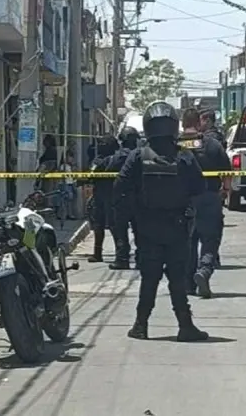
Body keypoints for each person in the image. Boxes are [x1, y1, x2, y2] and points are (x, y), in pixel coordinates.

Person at [115, 101, 209, 342]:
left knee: (149, 279)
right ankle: (185, 326)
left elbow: (120, 188)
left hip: (147, 228)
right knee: (177, 279)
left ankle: (141, 325)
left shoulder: (138, 156)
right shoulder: (184, 156)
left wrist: (134, 214)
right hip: (177, 228)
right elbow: (200, 188)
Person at [179, 108, 231, 298]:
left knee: (188, 242)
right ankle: (204, 270)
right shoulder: (212, 144)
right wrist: (225, 191)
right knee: (210, 239)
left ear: (182, 123)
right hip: (209, 197)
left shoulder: (175, 145)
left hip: (183, 201)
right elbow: (227, 172)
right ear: (198, 123)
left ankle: (188, 284)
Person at [107, 126, 142, 270]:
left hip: (122, 198)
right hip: (139, 198)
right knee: (139, 230)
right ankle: (141, 259)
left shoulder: (119, 156)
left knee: (120, 230)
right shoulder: (142, 154)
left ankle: (122, 259)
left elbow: (108, 169)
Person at [86, 135, 119, 263]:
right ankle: (119, 255)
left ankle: (98, 254)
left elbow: (91, 174)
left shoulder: (99, 160)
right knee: (111, 225)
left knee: (100, 225)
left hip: (102, 194)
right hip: (111, 194)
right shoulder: (118, 159)